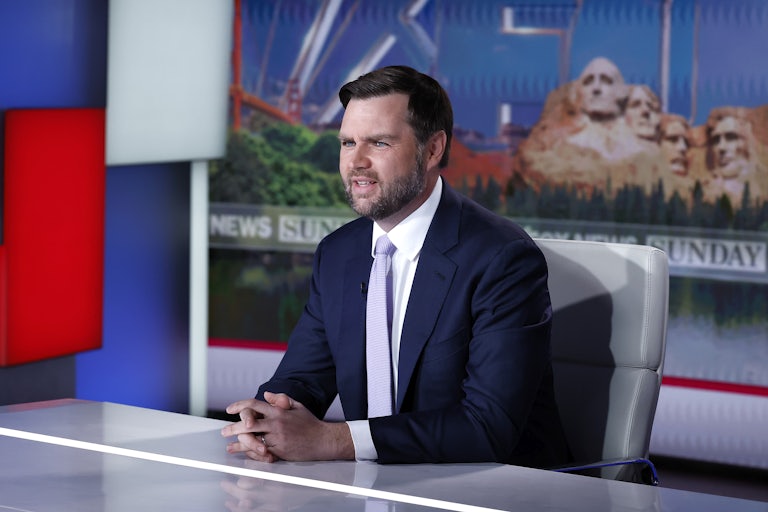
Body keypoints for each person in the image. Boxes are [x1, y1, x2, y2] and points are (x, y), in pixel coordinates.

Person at [221, 65, 570, 468]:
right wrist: (265, 421)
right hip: (375, 489)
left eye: (379, 143)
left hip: (500, 491)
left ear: (433, 149)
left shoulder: (502, 259)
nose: (357, 161)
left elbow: (487, 427)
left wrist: (335, 440)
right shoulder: (337, 254)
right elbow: (301, 379)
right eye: (348, 142)